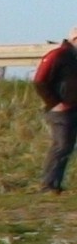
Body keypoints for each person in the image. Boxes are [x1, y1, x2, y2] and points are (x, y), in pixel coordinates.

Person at [33, 27, 77, 193]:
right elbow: (40, 81)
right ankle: (48, 185)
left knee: (67, 147)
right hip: (61, 111)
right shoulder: (58, 55)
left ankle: (55, 184)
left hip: (72, 107)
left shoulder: (73, 56)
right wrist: (55, 103)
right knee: (61, 145)